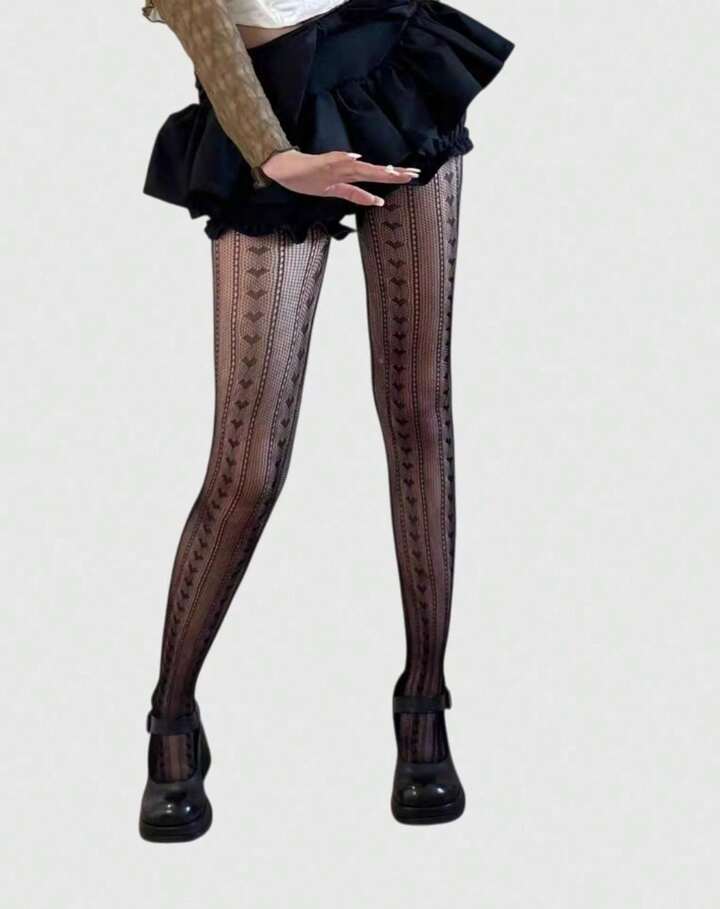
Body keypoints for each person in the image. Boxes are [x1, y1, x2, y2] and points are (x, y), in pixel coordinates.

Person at [138, 0, 514, 840]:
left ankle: (424, 703)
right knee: (248, 465)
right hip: (267, 100)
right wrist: (272, 154)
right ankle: (172, 710)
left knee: (418, 410)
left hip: (392, 59)